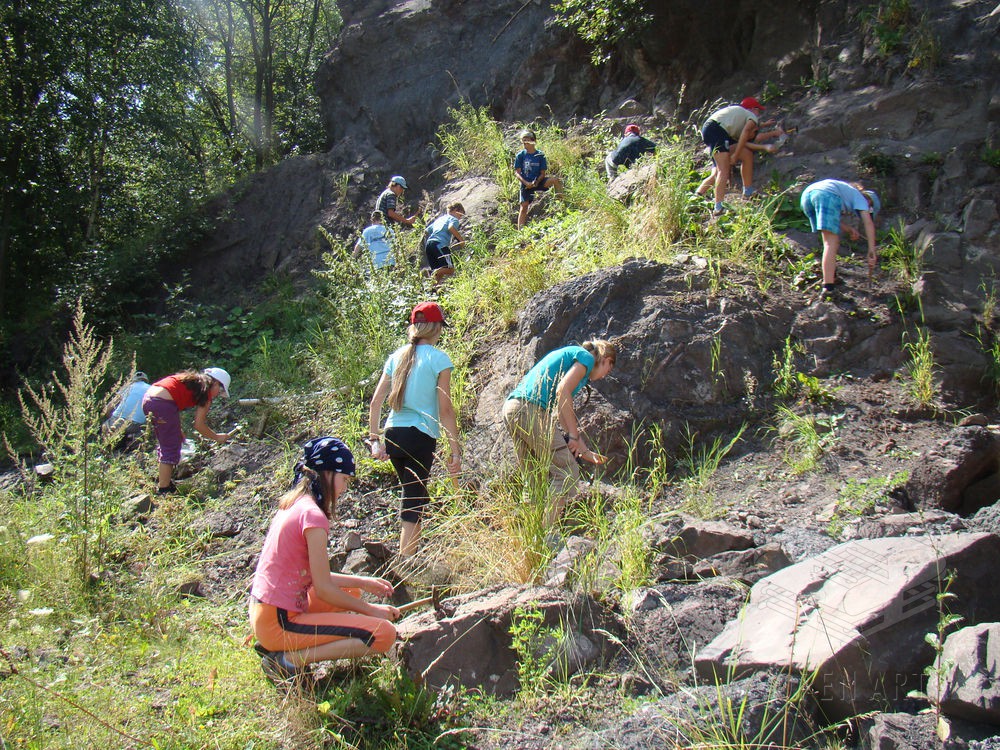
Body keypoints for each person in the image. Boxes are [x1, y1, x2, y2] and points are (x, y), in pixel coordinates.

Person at [249, 437, 399, 682]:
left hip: (264, 614)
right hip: (279, 623)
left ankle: (277, 646)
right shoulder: (313, 517)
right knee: (383, 634)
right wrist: (372, 611)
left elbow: (312, 576)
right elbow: (323, 588)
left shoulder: (294, 504)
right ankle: (287, 660)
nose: (345, 488)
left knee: (351, 592)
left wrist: (362, 582)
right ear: (328, 473)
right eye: (344, 479)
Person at [368, 302, 461, 559]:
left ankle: (410, 557)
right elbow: (445, 409)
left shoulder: (396, 357)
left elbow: (375, 403)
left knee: (415, 494)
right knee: (413, 500)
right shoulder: (439, 359)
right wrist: (455, 451)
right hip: (420, 435)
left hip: (394, 435)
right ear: (435, 328)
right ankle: (406, 562)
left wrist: (375, 441)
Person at [502, 340, 617, 527]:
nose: (605, 375)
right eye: (608, 369)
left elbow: (562, 409)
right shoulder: (586, 358)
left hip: (513, 408)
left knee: (534, 477)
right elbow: (563, 390)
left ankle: (530, 533)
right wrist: (573, 436)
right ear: (605, 360)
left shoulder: (574, 360)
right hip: (530, 410)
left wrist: (584, 450)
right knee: (567, 472)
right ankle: (547, 533)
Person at [141, 367, 232, 494]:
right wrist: (217, 437)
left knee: (169, 442)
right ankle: (164, 490)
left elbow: (171, 395)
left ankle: (164, 481)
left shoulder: (191, 381)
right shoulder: (206, 393)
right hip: (162, 404)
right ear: (216, 383)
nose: (218, 394)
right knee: (170, 447)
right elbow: (199, 425)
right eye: (220, 390)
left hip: (149, 399)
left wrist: (177, 429)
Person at [695, 97, 783, 216]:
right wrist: (736, 155)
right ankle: (718, 207)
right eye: (758, 110)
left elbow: (747, 139)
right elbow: (747, 133)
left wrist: (764, 129)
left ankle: (697, 196)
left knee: (745, 155)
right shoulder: (750, 117)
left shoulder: (737, 118)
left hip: (713, 130)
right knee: (723, 170)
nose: (759, 114)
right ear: (752, 109)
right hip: (717, 130)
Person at [800, 179, 881, 298]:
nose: (868, 211)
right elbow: (868, 223)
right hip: (825, 195)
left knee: (831, 241)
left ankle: (831, 275)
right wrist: (871, 249)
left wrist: (848, 229)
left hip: (807, 196)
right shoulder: (862, 200)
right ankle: (828, 288)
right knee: (830, 243)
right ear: (869, 202)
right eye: (870, 210)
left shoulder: (847, 193)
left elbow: (831, 219)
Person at [514, 130, 563, 230]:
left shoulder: (540, 155)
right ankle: (520, 232)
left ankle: (561, 206)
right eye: (523, 140)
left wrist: (537, 182)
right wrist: (526, 183)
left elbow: (542, 173)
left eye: (527, 140)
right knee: (524, 207)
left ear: (533, 141)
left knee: (556, 181)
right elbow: (517, 173)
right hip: (525, 184)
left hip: (538, 182)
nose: (524, 143)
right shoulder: (520, 155)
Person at [422, 202, 465, 284]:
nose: (460, 218)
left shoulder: (440, 219)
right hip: (441, 244)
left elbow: (426, 231)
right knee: (450, 269)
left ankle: (434, 287)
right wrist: (461, 240)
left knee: (439, 271)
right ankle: (430, 273)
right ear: (456, 210)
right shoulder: (454, 219)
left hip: (429, 244)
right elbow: (451, 228)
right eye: (460, 215)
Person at [103, 371, 151, 438]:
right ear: (146, 381)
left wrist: (111, 418)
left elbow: (109, 408)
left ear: (133, 380)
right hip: (136, 425)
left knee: (105, 427)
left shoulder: (128, 387)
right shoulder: (151, 389)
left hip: (117, 422)